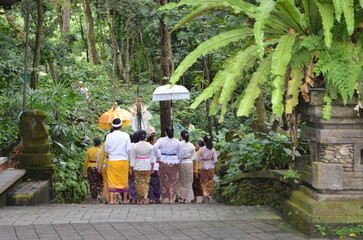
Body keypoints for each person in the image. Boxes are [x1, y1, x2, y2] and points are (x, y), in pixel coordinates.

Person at [99, 118, 132, 205]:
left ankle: (112, 200)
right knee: (123, 179)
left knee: (112, 179)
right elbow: (129, 149)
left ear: (113, 126)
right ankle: (124, 199)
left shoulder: (109, 136)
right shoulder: (126, 135)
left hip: (112, 160)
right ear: (121, 126)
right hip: (123, 160)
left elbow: (107, 149)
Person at [153, 127, 183, 203]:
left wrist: (158, 157)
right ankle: (171, 198)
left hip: (164, 161)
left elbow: (155, 147)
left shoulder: (161, 140)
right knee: (173, 180)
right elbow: (181, 152)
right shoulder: (177, 141)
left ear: (165, 132)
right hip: (174, 161)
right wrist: (179, 160)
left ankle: (164, 197)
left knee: (163, 180)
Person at [130, 130, 154, 204]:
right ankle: (145, 196)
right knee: (146, 182)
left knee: (138, 182)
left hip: (137, 165)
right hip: (147, 165)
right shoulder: (150, 146)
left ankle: (140, 199)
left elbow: (132, 157)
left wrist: (131, 168)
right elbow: (152, 158)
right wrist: (152, 167)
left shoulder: (134, 146)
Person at [175, 130, 195, 203]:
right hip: (189, 163)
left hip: (180, 163)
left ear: (181, 136)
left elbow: (176, 154)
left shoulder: (178, 144)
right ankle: (184, 197)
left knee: (179, 179)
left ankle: (178, 195)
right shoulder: (191, 145)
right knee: (188, 180)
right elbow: (193, 157)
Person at [197, 135, 218, 203]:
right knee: (210, 181)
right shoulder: (213, 149)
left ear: (204, 141)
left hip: (203, 167)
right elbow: (215, 160)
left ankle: (204, 194)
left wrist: (203, 159)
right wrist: (210, 160)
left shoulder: (201, 149)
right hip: (211, 167)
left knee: (203, 181)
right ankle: (208, 195)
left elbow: (198, 159)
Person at [84, 137, 103, 204]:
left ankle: (93, 200)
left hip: (90, 167)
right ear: (100, 143)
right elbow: (102, 160)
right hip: (98, 167)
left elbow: (86, 161)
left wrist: (85, 170)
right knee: (100, 182)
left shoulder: (89, 150)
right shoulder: (100, 150)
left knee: (92, 183)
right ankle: (99, 194)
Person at [147, 134, 160, 203]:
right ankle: (156, 198)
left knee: (151, 183)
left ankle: (151, 198)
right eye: (155, 139)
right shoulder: (155, 148)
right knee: (156, 183)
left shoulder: (148, 147)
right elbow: (159, 157)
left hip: (149, 167)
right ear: (151, 141)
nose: (156, 140)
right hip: (155, 167)